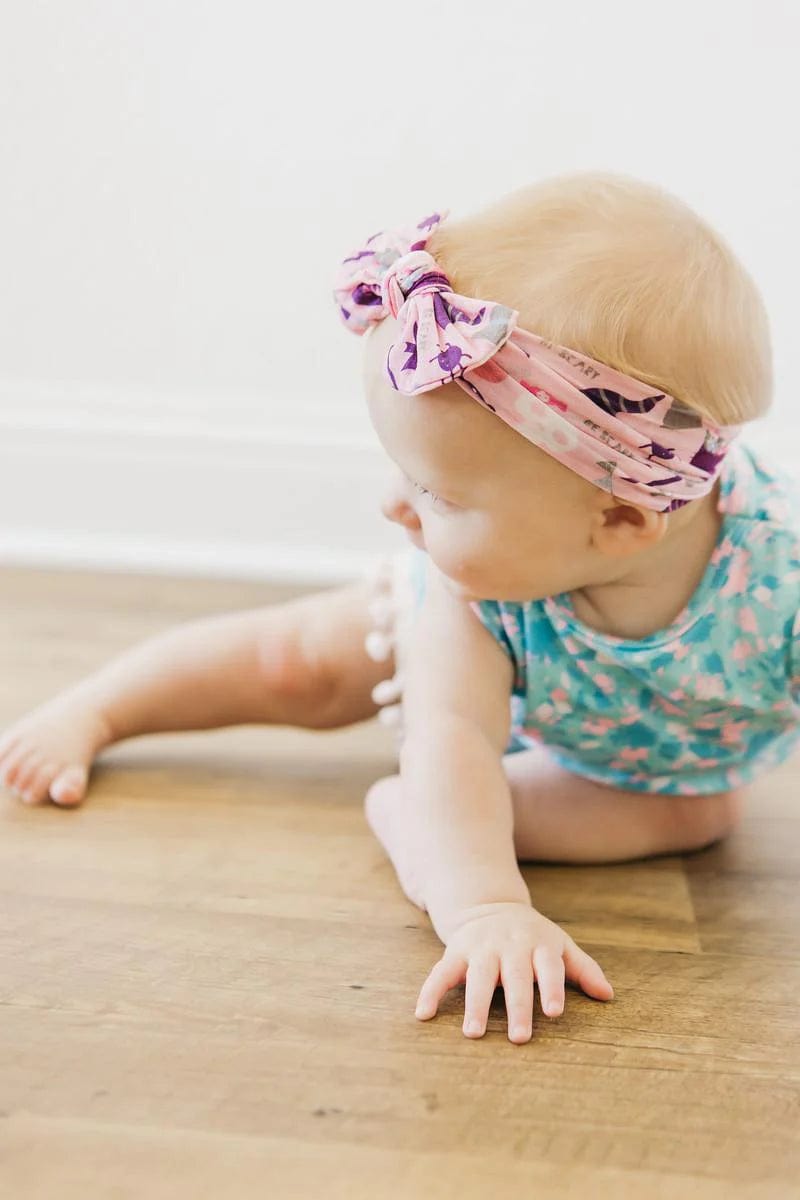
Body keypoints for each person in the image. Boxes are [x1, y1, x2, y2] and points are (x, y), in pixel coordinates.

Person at [2, 172, 798, 1045]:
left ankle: (426, 815)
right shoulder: (470, 582)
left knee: (698, 818)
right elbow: (454, 735)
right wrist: (487, 908)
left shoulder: (780, 578)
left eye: (437, 493)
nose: (393, 504)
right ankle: (102, 707)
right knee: (297, 666)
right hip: (474, 645)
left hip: (658, 756)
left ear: (617, 522)